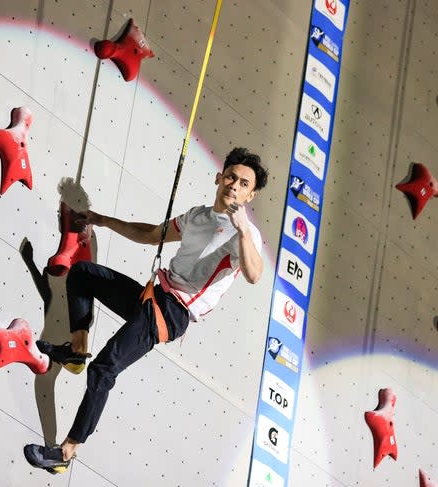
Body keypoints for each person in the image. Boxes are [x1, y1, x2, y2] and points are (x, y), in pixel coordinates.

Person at [23, 147, 269, 474]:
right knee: (83, 274)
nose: (234, 186)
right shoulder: (198, 215)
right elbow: (152, 234)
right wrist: (102, 220)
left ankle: (66, 453)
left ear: (250, 195)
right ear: (219, 178)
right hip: (152, 295)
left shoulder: (246, 235)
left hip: (171, 313)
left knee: (105, 368)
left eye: (243, 184)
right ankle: (76, 352)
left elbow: (254, 275)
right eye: (230, 177)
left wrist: (241, 230)